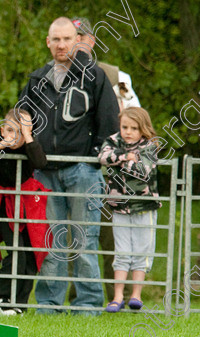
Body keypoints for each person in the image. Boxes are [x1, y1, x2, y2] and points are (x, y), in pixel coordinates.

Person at [18, 17, 119, 315]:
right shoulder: (38, 79)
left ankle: (87, 306)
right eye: (56, 40)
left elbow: (109, 119)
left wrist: (98, 156)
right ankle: (49, 305)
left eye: (67, 39)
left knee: (84, 241)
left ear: (77, 41)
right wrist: (29, 147)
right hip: (45, 172)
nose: (61, 45)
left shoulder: (94, 77)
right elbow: (23, 116)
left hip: (83, 171)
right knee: (51, 241)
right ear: (48, 42)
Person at [72, 15, 141, 304]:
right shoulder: (54, 76)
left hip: (112, 172)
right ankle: (78, 295)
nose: (75, 44)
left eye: (80, 38)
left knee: (112, 237)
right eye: (70, 38)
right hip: (76, 166)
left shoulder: (116, 76)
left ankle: (117, 297)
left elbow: (136, 120)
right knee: (74, 233)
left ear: (92, 41)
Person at [0, 109, 50, 315]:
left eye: (21, 130)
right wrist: (0, 145)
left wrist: (27, 137)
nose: (14, 135)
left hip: (27, 205)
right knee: (16, 252)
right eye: (10, 130)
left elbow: (41, 162)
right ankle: (3, 299)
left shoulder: (30, 145)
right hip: (4, 206)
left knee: (30, 255)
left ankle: (19, 304)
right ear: (2, 129)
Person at [99, 107, 160, 312]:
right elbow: (104, 157)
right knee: (122, 251)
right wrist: (126, 157)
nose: (128, 131)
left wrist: (121, 164)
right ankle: (117, 297)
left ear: (142, 128)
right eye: (125, 126)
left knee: (142, 251)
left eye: (134, 128)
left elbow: (144, 172)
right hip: (119, 206)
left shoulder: (149, 146)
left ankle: (136, 295)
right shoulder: (113, 141)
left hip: (145, 206)